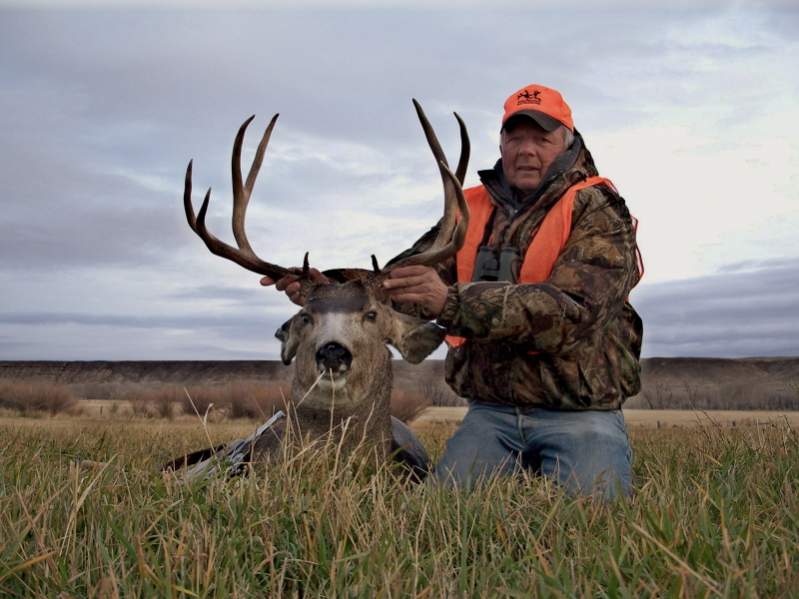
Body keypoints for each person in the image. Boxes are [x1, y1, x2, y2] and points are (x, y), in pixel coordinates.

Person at [264, 83, 643, 499]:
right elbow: (398, 281)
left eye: (542, 138)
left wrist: (451, 302)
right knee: (439, 517)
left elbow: (574, 312)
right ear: (501, 142)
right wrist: (326, 288)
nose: (526, 150)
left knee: (589, 522)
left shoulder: (597, 209)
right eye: (515, 137)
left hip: (580, 413)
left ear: (567, 142)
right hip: (491, 415)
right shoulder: (467, 211)